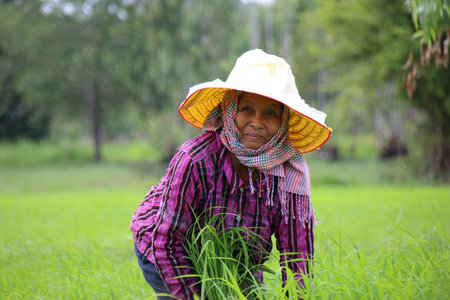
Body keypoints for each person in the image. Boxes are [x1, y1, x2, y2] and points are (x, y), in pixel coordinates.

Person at [130, 49, 332, 299]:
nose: (257, 122)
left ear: (283, 122)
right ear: (229, 110)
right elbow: (167, 241)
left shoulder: (290, 176)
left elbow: (298, 259)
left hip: (237, 259)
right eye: (247, 109)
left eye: (270, 113)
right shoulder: (195, 159)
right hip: (166, 247)